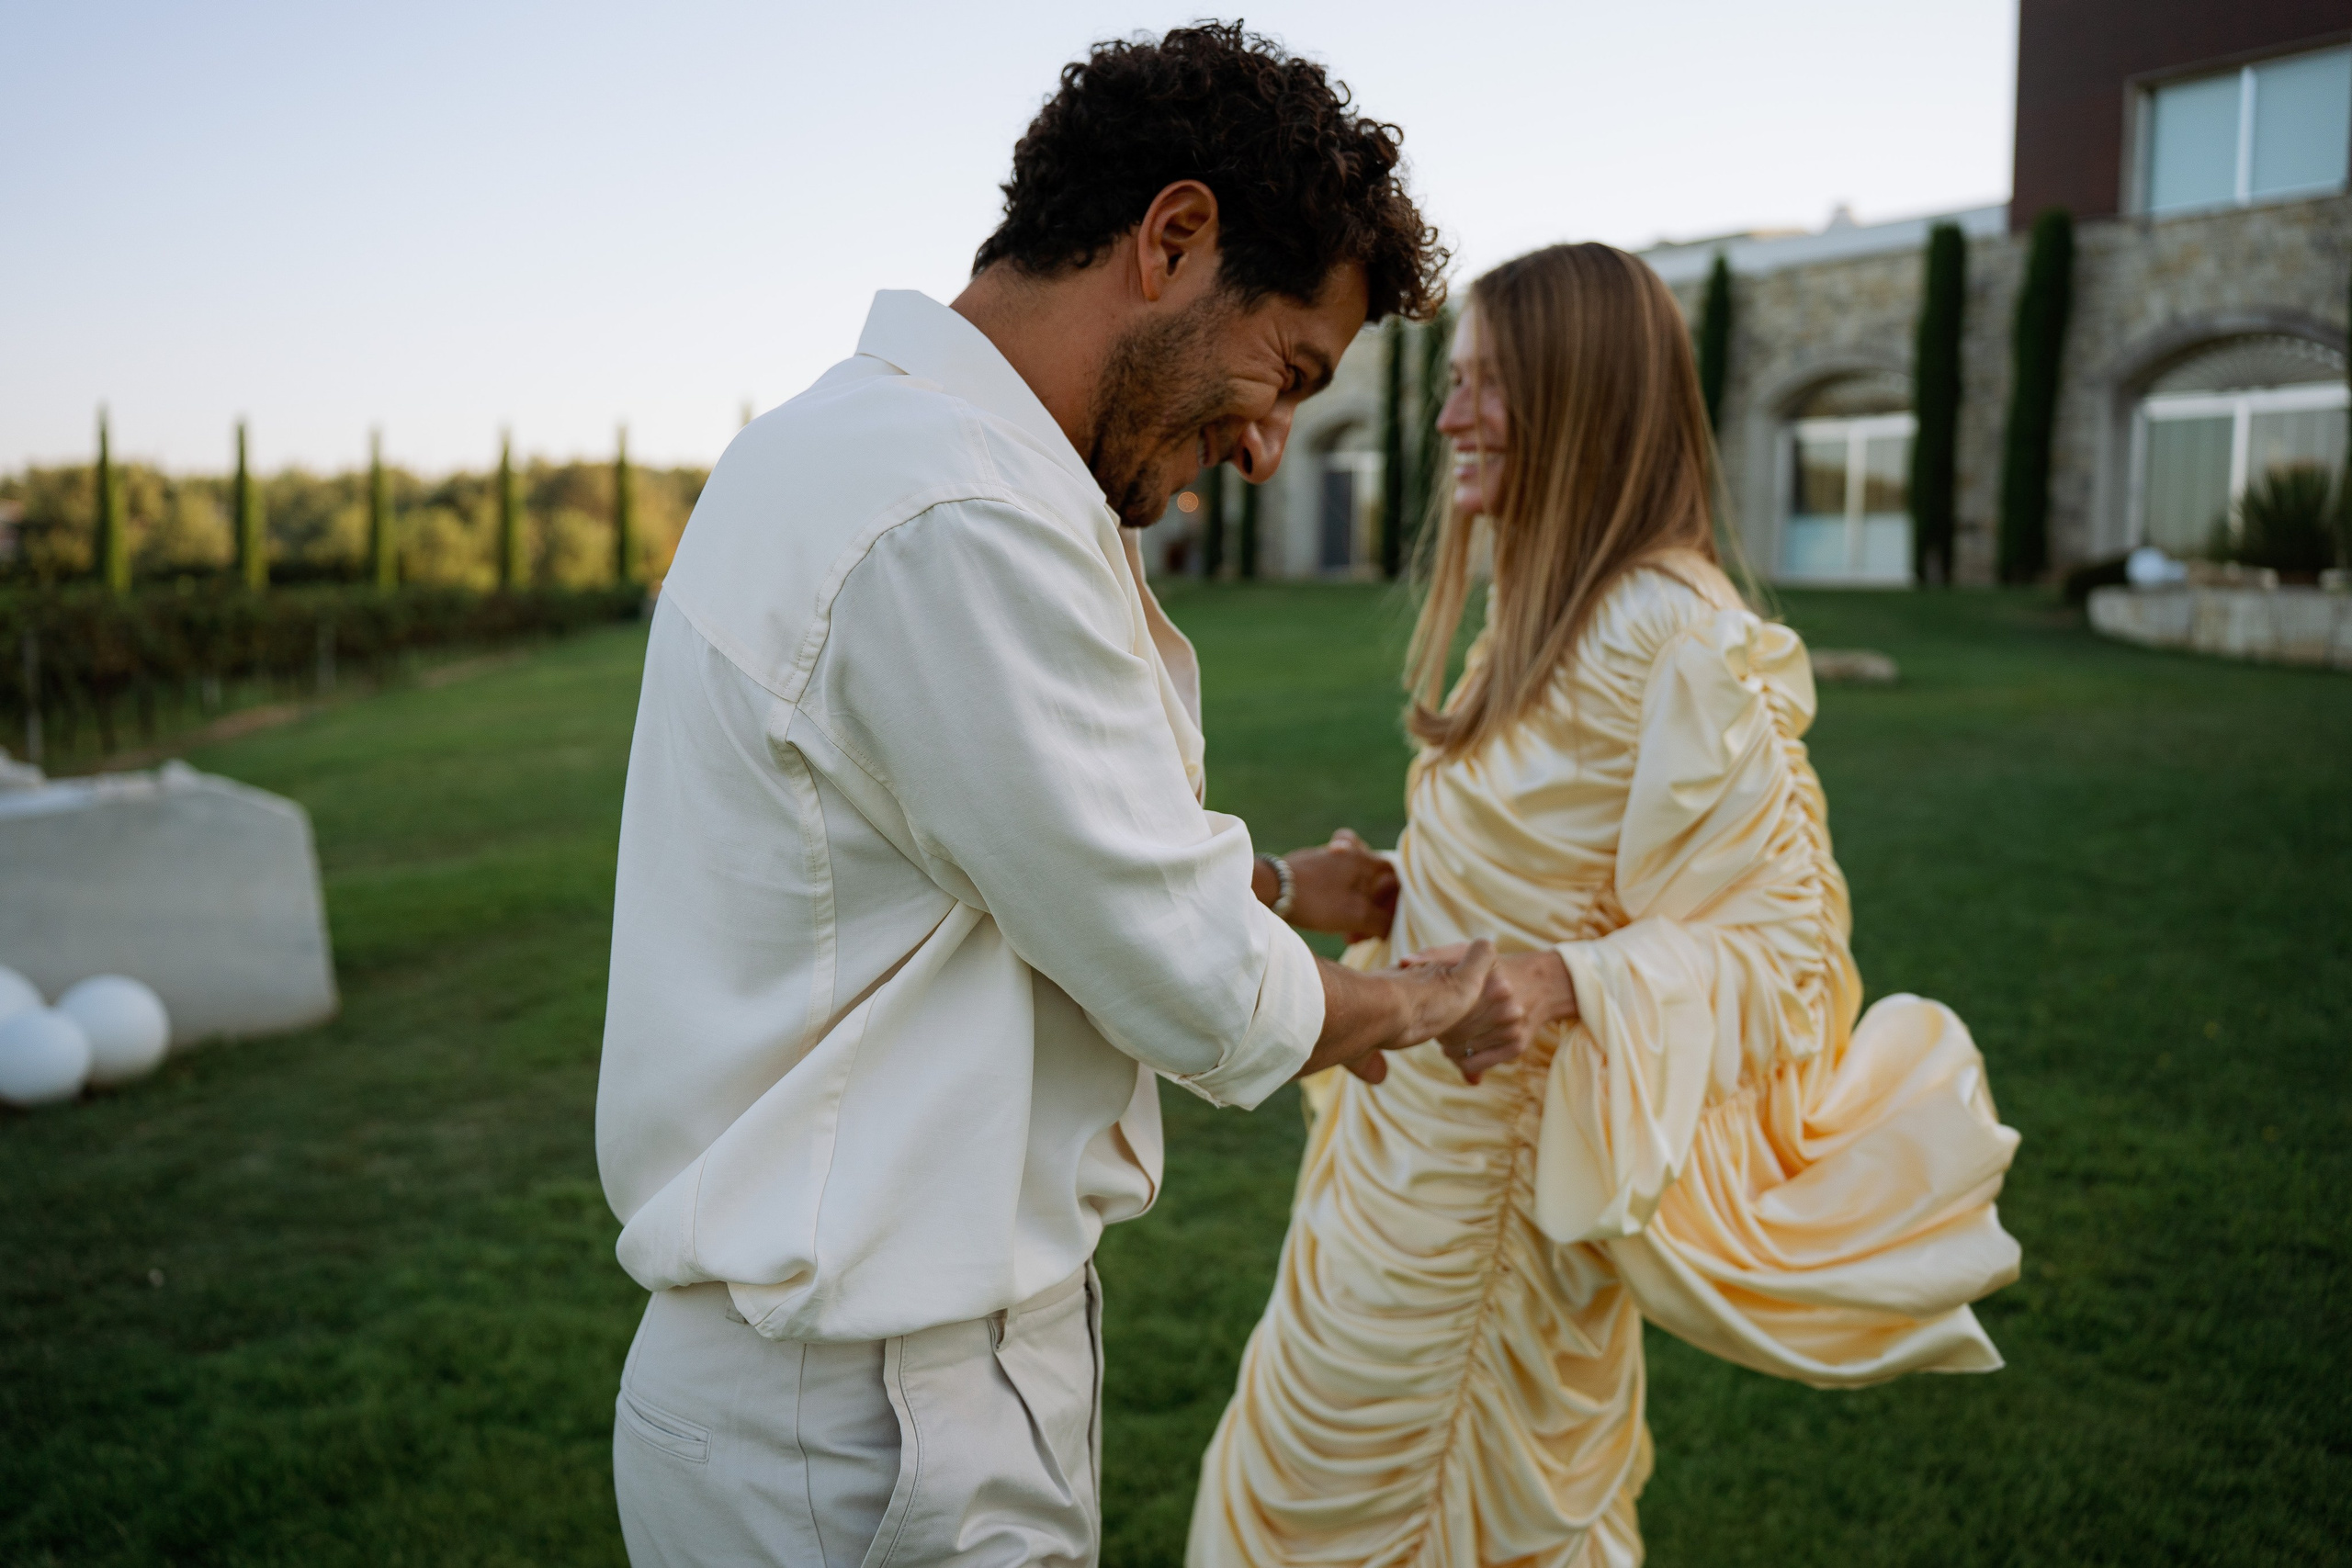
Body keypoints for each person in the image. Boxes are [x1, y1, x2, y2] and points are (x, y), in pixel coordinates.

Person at [594, 23, 1488, 1568]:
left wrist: (1272, 886)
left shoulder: (872, 450)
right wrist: (1434, 1005)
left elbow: (990, 877)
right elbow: (1183, 975)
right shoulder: (956, 509)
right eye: (1289, 371)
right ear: (1175, 236)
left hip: (850, 1394)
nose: (1274, 446)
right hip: (875, 1426)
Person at [1188, 243, 2025, 1567]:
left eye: (1491, 388)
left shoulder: (1671, 634)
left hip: (1490, 1250)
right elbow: (1542, 872)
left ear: (1592, 398)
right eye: (1454, 384)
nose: (1452, 418)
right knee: (1292, 1489)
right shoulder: (1539, 597)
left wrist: (1566, 984)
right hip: (1381, 1188)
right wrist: (1390, 894)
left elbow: (1787, 953)